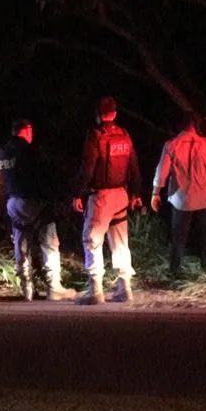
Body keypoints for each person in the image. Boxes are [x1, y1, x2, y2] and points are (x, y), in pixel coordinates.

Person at [72, 97, 143, 304]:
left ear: (97, 114)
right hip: (121, 194)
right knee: (120, 241)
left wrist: (77, 193)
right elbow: (134, 165)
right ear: (115, 113)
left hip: (101, 196)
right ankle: (124, 288)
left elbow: (88, 167)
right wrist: (136, 193)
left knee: (92, 239)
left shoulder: (95, 136)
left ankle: (95, 289)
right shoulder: (124, 135)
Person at [0, 119, 75, 301]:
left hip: (12, 202)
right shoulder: (28, 151)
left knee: (21, 245)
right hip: (33, 201)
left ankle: (26, 288)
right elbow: (41, 176)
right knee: (50, 243)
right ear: (27, 131)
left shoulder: (1, 153)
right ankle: (54, 286)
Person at [150, 113, 206, 280]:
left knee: (178, 237)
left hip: (181, 199)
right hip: (204, 198)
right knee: (205, 236)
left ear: (179, 126)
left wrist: (155, 193)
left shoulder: (171, 145)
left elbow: (162, 172)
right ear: (194, 125)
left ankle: (175, 272)